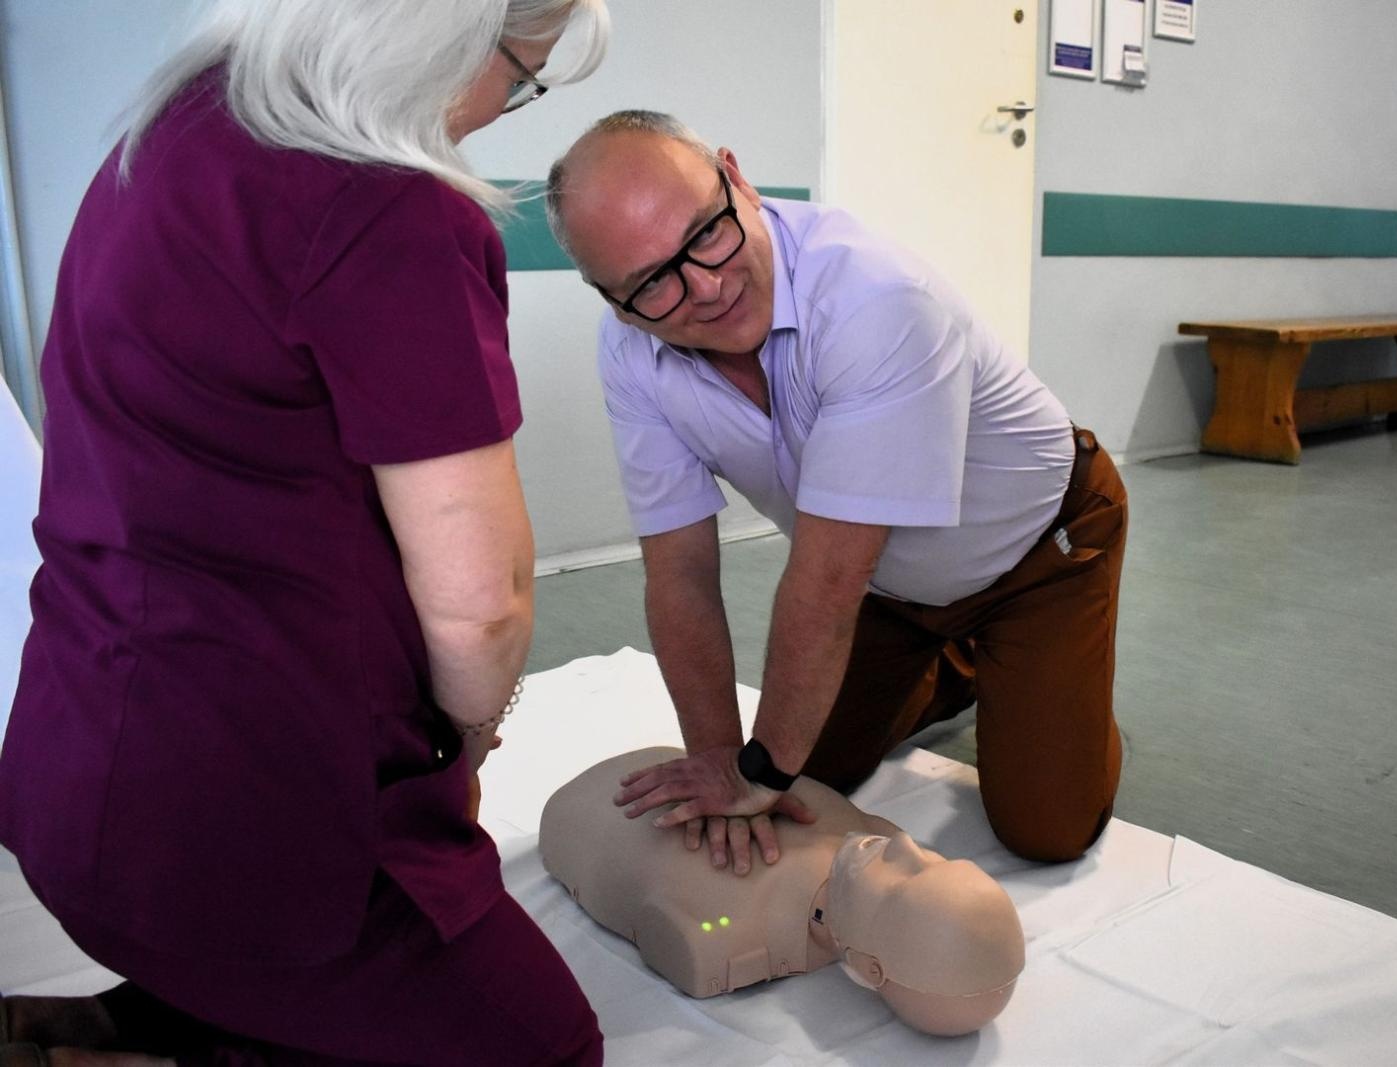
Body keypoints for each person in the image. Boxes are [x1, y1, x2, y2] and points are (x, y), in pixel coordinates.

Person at [0, 2, 608, 1064]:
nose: (499, 113)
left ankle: (117, 1024)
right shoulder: (386, 207)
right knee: (543, 1044)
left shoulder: (170, 133)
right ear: (446, 36)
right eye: (522, 78)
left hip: (73, 763)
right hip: (241, 808)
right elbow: (483, 598)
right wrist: (462, 738)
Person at [543, 111, 1129, 876]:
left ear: (738, 178)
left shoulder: (876, 299)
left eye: (708, 233)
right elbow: (680, 571)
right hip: (889, 586)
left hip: (1037, 553)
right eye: (652, 282)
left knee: (1046, 828)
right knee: (801, 778)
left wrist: (757, 774)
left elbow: (825, 583)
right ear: (612, 300)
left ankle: (1036, 679)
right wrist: (725, 761)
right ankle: (955, 665)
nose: (707, 286)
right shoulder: (630, 352)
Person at [540, 748, 1026, 1036]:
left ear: (867, 967)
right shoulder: (861, 830)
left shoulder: (722, 934)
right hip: (603, 803)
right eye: (934, 858)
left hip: (588, 813)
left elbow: (677, 933)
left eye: (904, 880)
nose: (903, 844)